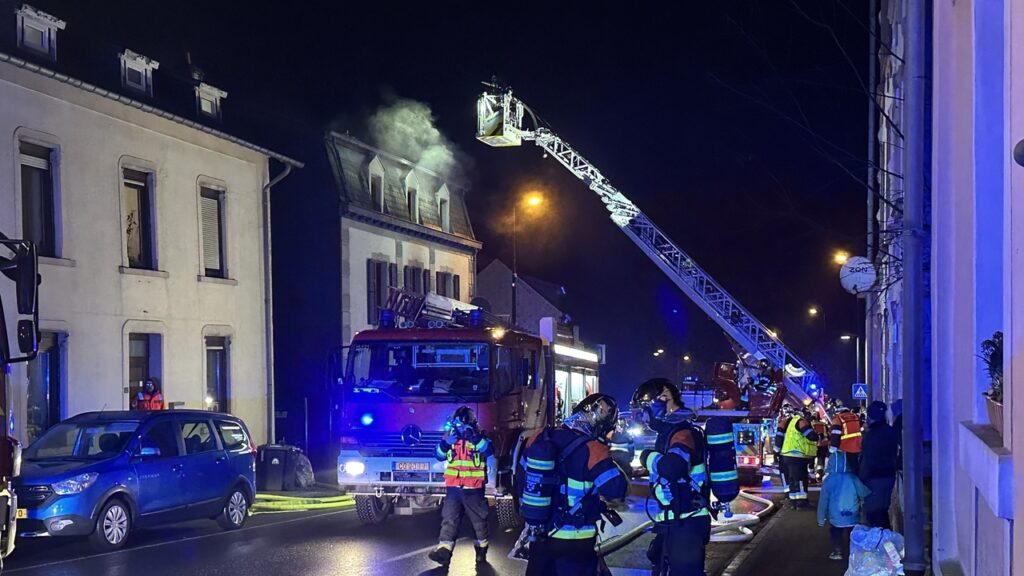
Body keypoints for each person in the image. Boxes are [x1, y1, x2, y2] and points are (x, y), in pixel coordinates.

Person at [522, 393, 628, 576]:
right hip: (576, 540)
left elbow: (523, 479)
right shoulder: (594, 449)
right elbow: (616, 490)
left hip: (541, 535)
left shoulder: (540, 437)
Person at [634, 378, 716, 576]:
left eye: (646, 407)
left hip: (687, 521)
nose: (645, 415)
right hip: (675, 519)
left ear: (664, 397)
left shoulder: (683, 432)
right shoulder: (671, 432)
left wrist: (646, 457)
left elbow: (673, 467)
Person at [428, 406, 493, 567]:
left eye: (464, 424)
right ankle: (443, 553)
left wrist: (475, 439)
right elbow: (438, 455)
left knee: (479, 523)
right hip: (454, 489)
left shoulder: (480, 437)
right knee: (449, 520)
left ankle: (481, 552)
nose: (461, 428)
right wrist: (446, 443)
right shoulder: (450, 437)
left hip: (474, 489)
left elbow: (489, 451)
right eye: (458, 424)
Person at [817, 451, 870, 561]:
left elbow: (823, 501)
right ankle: (854, 552)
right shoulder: (853, 478)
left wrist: (821, 519)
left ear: (830, 463)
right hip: (853, 514)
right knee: (853, 533)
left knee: (835, 533)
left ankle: (837, 551)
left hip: (836, 516)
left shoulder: (828, 481)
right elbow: (864, 492)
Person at [859, 400, 899, 529]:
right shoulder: (890, 431)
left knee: (874, 514)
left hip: (874, 478)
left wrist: (861, 479)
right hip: (889, 475)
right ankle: (886, 542)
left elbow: (867, 459)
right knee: (881, 511)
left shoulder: (871, 436)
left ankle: (881, 544)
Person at [774, 404, 819, 508]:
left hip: (786, 455)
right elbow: (810, 435)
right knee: (801, 479)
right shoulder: (800, 421)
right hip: (797, 455)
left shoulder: (786, 423)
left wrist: (776, 451)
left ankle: (793, 502)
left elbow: (779, 437)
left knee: (792, 479)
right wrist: (818, 436)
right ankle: (801, 503)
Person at [829, 402, 863, 473]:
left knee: (846, 469)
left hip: (845, 448)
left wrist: (833, 447)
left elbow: (835, 434)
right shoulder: (855, 416)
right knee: (855, 468)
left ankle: (848, 483)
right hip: (857, 446)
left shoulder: (838, 419)